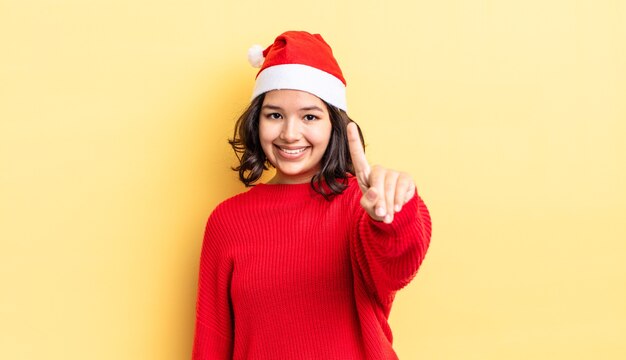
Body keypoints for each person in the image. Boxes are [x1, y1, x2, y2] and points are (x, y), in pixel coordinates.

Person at [192, 30, 432, 360]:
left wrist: (392, 214)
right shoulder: (227, 220)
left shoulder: (361, 205)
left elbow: (399, 262)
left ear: (334, 124)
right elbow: (212, 343)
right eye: (274, 115)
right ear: (256, 122)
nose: (290, 134)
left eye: (310, 116)